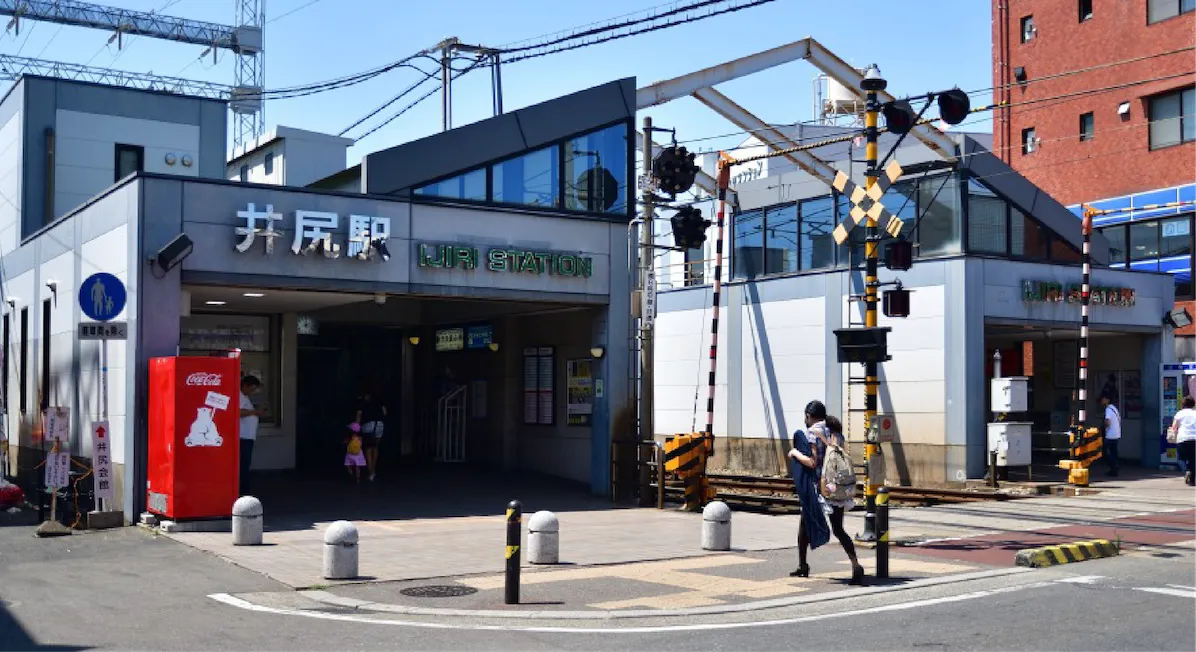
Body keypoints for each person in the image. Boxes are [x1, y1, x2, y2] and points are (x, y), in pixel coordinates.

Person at [787, 400, 865, 585]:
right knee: (838, 529)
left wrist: (795, 454)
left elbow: (813, 463)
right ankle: (856, 565)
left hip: (818, 489)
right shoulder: (836, 433)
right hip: (835, 487)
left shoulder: (812, 433)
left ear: (809, 416)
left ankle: (803, 566)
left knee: (803, 528)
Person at [238, 376, 265, 495]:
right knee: (243, 465)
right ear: (245, 385)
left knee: (245, 465)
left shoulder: (245, 397)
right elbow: (238, 412)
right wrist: (255, 412)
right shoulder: (239, 396)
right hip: (242, 437)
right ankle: (243, 492)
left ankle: (244, 490)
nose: (252, 392)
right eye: (252, 389)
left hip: (247, 436)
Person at [355, 388, 388, 482]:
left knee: (368, 449)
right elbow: (385, 412)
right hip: (379, 425)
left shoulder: (362, 402)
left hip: (368, 425)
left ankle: (371, 472)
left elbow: (359, 415)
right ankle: (373, 470)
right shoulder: (379, 401)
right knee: (375, 447)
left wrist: (356, 428)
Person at [1169, 396, 1196, 486]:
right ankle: (1192, 479)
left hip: (1183, 438)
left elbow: (1174, 427)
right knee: (1193, 460)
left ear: (1183, 404)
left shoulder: (1179, 414)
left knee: (1181, 459)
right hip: (1194, 439)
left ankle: (1186, 471)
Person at [1101, 392, 1121, 477]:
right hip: (1116, 433)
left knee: (1104, 452)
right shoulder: (1114, 408)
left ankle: (1113, 466)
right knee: (1114, 452)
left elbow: (1108, 422)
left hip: (1110, 434)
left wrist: (1102, 427)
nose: (1102, 400)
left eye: (1103, 399)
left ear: (1107, 400)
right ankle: (1114, 468)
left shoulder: (1108, 409)